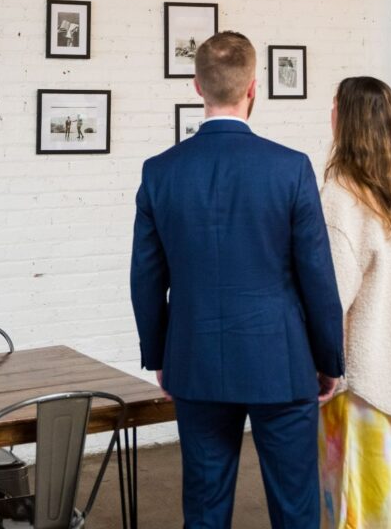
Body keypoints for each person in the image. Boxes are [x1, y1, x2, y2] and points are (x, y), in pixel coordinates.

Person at [131, 31, 344, 529]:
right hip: (283, 362)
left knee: (204, 510)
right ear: (253, 87)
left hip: (195, 360)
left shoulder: (160, 172)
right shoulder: (290, 168)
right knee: (296, 510)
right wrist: (329, 357)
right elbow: (317, 274)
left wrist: (159, 354)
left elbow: (145, 277)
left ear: (196, 86)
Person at [319, 77, 391, 529]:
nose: (329, 113)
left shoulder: (339, 195)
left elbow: (334, 293)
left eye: (334, 107)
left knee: (352, 491)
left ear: (349, 121)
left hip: (356, 370)